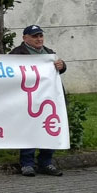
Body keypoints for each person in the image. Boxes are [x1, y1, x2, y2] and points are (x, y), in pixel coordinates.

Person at [10, 25, 67, 177]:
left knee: (48, 128)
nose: (39, 39)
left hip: (48, 100)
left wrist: (62, 65)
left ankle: (46, 162)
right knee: (29, 129)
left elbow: (57, 71)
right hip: (27, 100)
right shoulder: (17, 54)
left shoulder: (49, 53)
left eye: (40, 36)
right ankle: (27, 163)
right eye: (35, 36)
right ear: (25, 38)